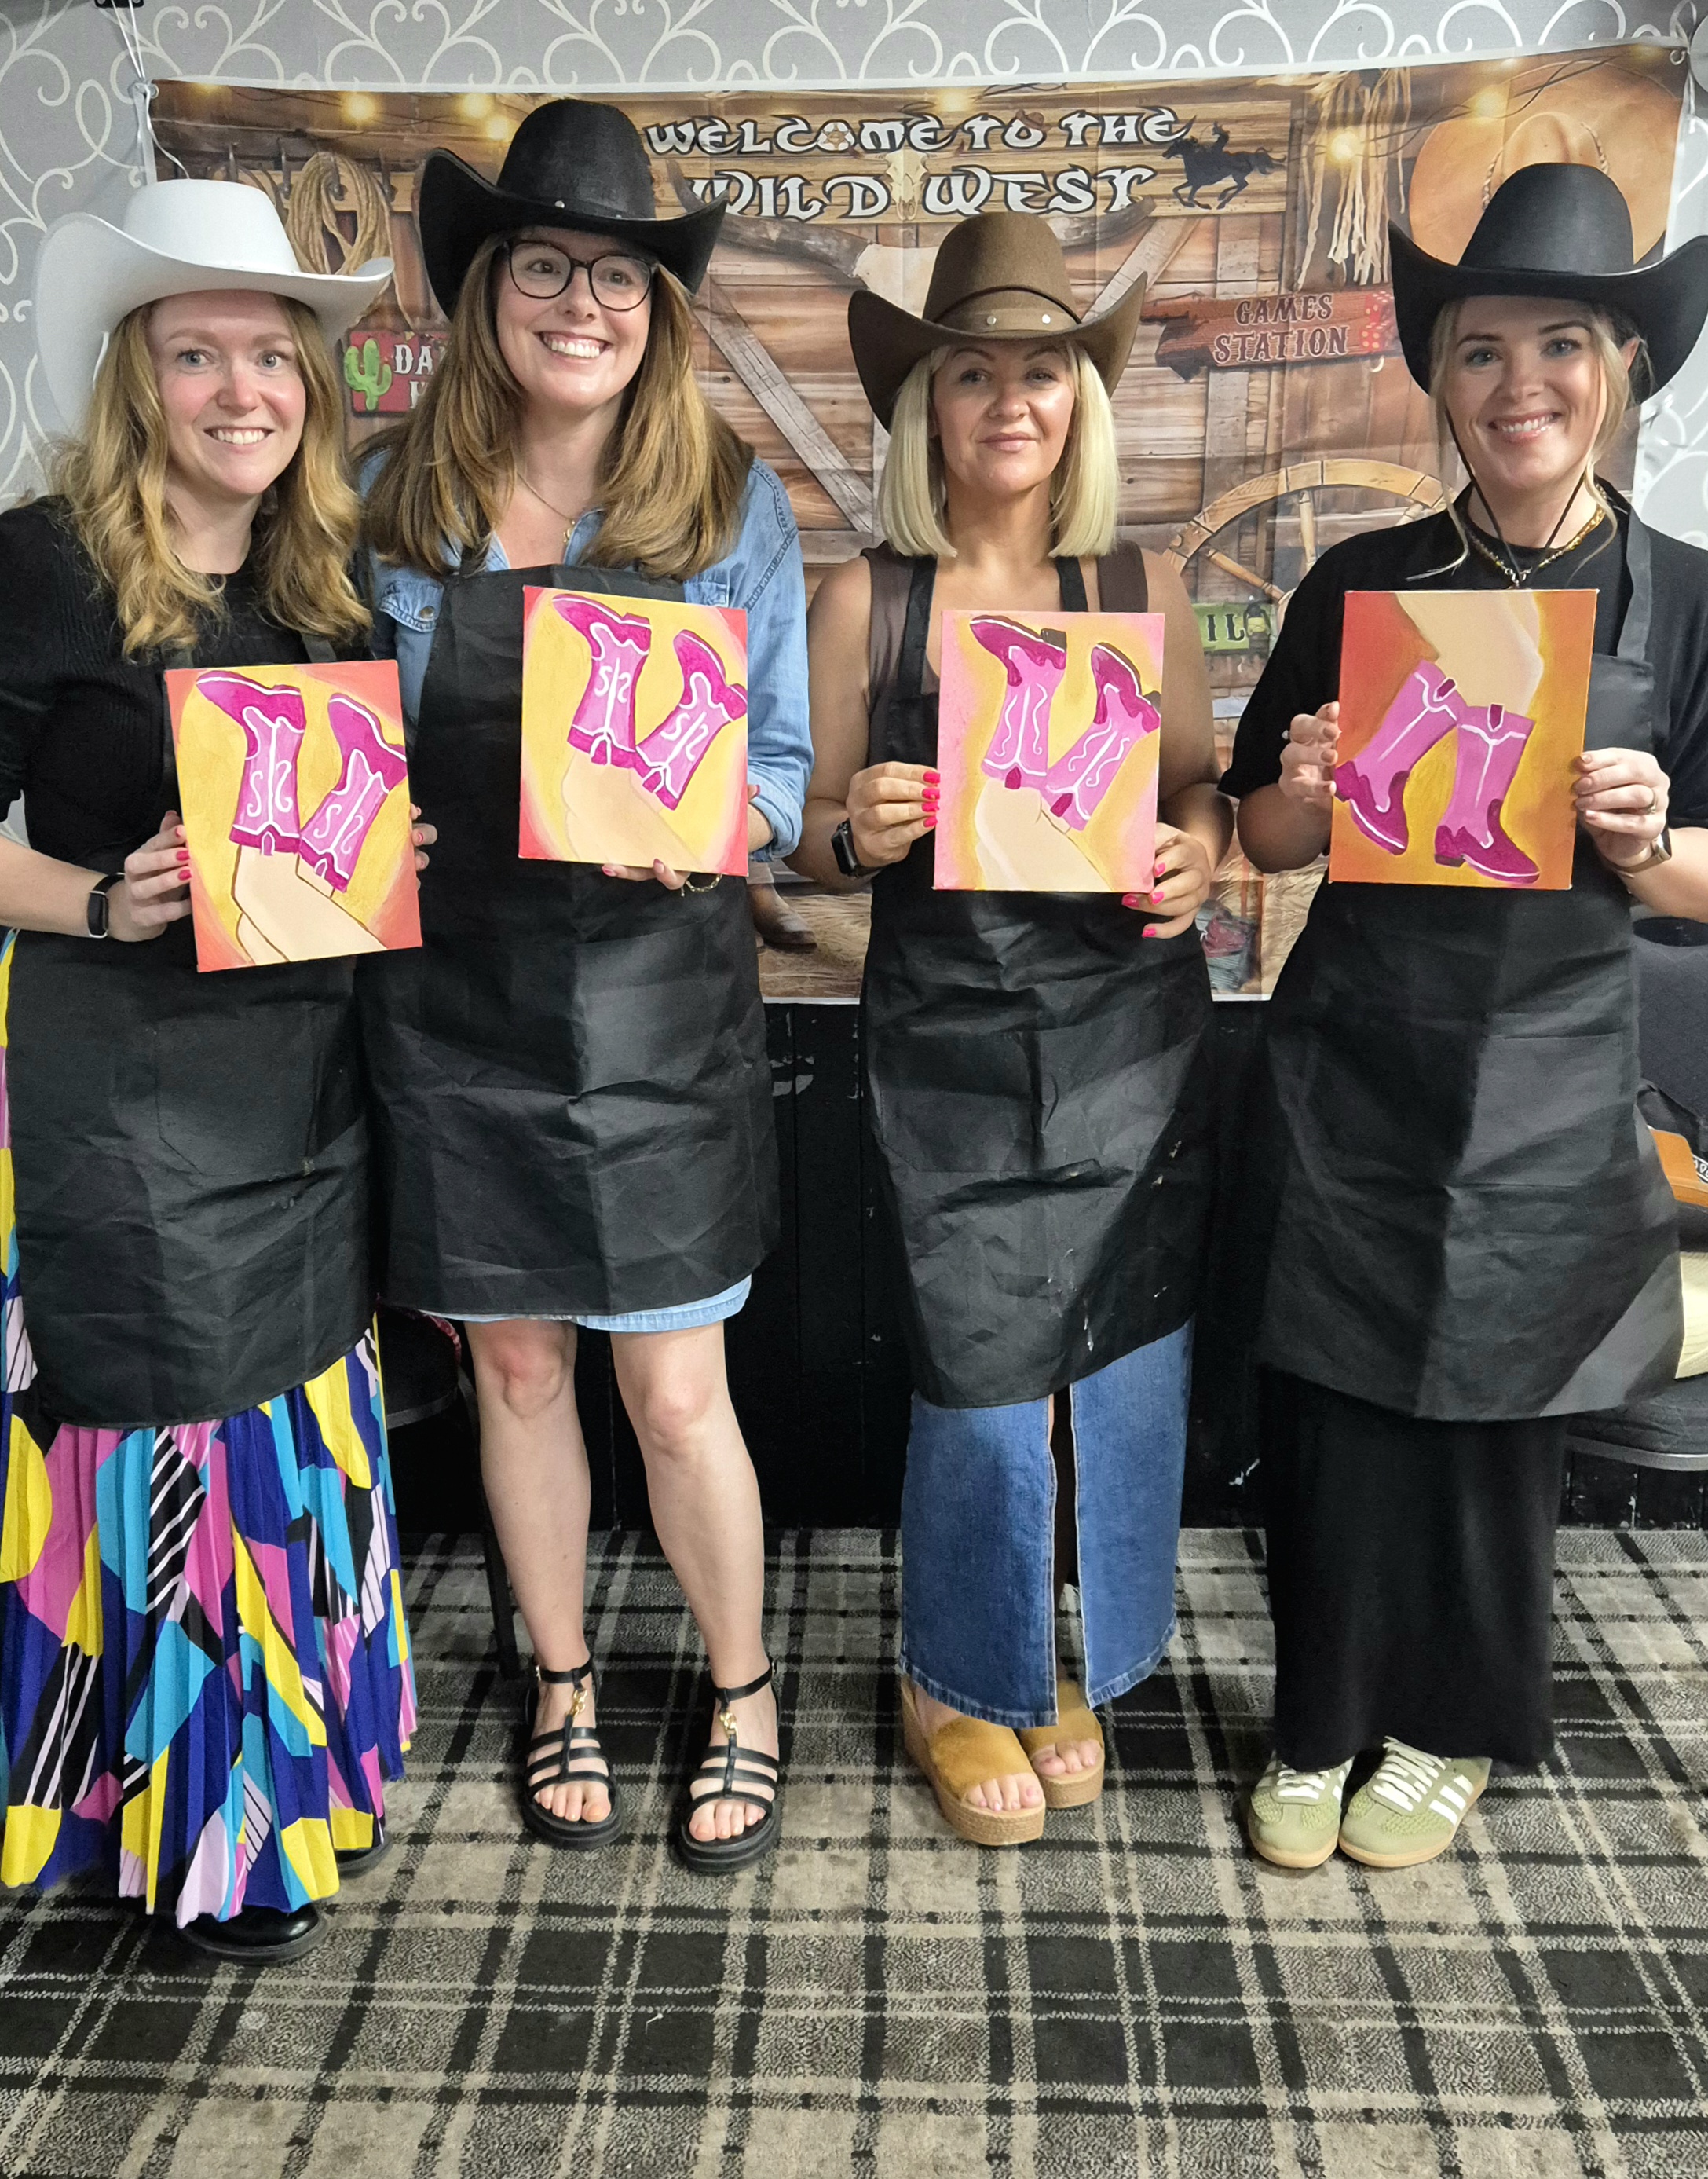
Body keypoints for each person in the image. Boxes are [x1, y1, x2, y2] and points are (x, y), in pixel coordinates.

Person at [1226, 163, 1708, 1872]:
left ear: (1620, 369)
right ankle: (1316, 1721)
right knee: (1336, 1410)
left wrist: (1657, 845)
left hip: (1551, 1075)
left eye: (1560, 344)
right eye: (1482, 347)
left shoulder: (1698, 598)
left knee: (1501, 1427)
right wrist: (1294, 783)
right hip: (1355, 1058)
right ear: (1434, 376)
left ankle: (1450, 1728)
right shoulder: (1359, 581)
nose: (1521, 384)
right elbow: (1258, 840)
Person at [360, 101, 810, 1872]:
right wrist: (339, 828)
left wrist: (708, 831)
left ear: (655, 311)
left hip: (652, 1011)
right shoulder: (395, 498)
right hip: (454, 1007)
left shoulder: (726, 500)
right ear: (485, 292)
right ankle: (560, 1678)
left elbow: (776, 769)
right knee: (522, 1376)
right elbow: (330, 744)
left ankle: (744, 1682)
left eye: (615, 276)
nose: (580, 301)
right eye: (543, 265)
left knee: (676, 1393)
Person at [0, 180, 422, 1963]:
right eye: (197, 354)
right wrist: (102, 896)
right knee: (169, 1414)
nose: (241, 387)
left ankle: (286, 1775)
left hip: (305, 1083)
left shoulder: (336, 594)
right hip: (119, 1073)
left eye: (272, 353)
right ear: (136, 376)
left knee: (290, 1406)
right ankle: (185, 1828)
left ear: (315, 391)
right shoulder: (40, 564)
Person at [793, 212, 1229, 1844]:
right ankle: (953, 1672)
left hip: (1128, 1035)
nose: (1008, 399)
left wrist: (1198, 847)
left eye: (1040, 371)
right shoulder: (867, 600)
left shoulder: (1140, 586)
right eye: (972, 371)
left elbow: (1196, 788)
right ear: (929, 407)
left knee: (1102, 1362)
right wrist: (863, 832)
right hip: (952, 1044)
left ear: (1079, 403)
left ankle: (1050, 1652)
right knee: (976, 1372)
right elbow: (800, 833)